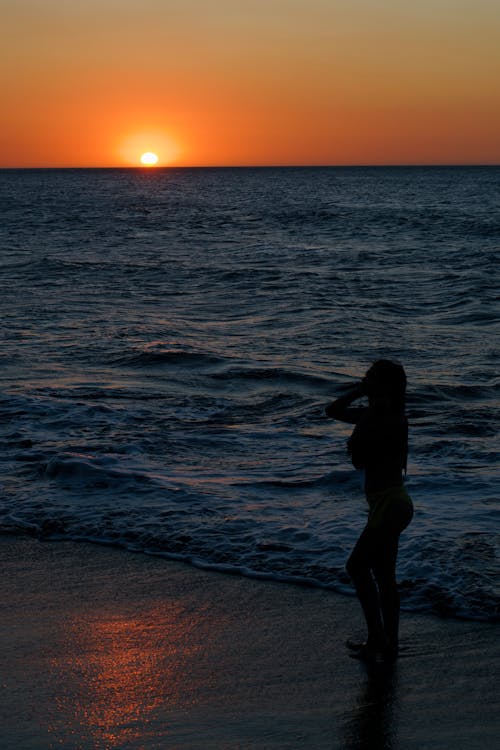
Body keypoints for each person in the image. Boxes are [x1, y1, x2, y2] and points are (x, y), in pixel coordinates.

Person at [325, 360, 413, 663]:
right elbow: (332, 411)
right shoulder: (379, 413)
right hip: (387, 504)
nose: (366, 379)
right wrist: (359, 391)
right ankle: (390, 643)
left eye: (372, 377)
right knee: (383, 574)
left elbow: (360, 459)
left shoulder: (388, 416)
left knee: (356, 566)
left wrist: (367, 402)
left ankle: (378, 638)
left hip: (391, 503)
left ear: (386, 385)